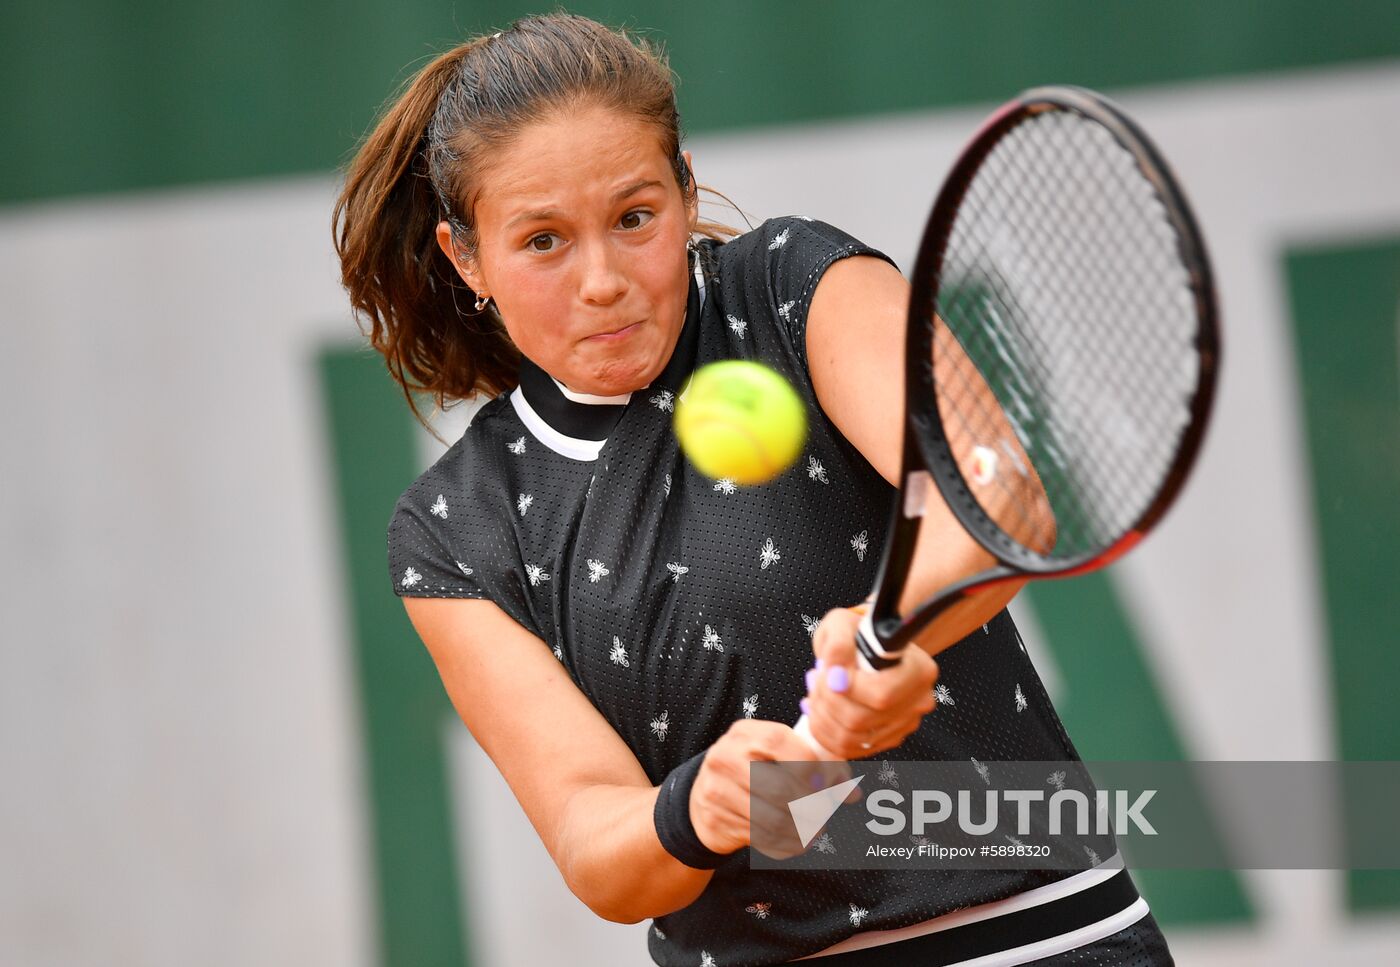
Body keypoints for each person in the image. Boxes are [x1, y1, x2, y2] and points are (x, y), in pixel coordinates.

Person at [334, 13, 1174, 966]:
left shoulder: (796, 285)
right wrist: (696, 809)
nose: (602, 279)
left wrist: (886, 627)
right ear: (466, 257)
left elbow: (993, 494)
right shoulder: (454, 529)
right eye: (542, 241)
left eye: (635, 216)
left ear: (686, 192)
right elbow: (592, 840)